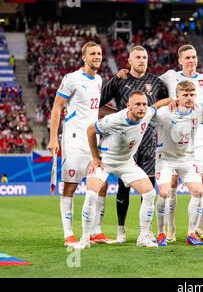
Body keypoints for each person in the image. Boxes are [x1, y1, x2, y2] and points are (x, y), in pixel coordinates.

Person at [73, 90, 172, 249]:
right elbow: (91, 130)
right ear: (128, 106)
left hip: (126, 162)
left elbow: (156, 105)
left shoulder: (146, 114)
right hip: (105, 161)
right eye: (138, 104)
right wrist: (95, 158)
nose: (142, 108)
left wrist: (173, 100)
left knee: (149, 193)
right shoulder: (113, 120)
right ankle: (84, 239)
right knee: (91, 194)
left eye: (144, 104)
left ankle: (143, 236)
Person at [100, 45, 169, 244]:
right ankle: (121, 230)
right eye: (138, 57)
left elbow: (163, 105)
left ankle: (144, 231)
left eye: (145, 57)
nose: (142, 60)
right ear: (129, 60)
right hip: (124, 145)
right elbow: (99, 103)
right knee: (124, 187)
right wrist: (116, 118)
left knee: (147, 186)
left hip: (148, 142)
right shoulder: (119, 80)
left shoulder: (156, 83)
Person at [47, 42, 112, 247]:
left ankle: (96, 231)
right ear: (84, 57)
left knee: (102, 184)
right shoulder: (72, 79)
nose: (97, 56)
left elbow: (95, 109)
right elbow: (57, 108)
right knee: (71, 185)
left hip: (93, 140)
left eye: (100, 53)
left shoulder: (99, 80)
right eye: (92, 53)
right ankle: (68, 234)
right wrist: (52, 138)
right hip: (74, 139)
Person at [158, 44, 203, 242]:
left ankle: (199, 227)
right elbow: (148, 85)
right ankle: (170, 229)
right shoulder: (170, 76)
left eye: (194, 57)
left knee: (201, 183)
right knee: (172, 183)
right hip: (172, 138)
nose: (192, 61)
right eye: (188, 58)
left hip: (198, 140)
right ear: (180, 60)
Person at [153, 80, 203, 246]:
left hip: (186, 159)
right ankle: (161, 233)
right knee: (164, 193)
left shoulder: (199, 111)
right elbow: (148, 111)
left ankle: (191, 233)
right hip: (165, 158)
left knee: (199, 192)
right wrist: (165, 101)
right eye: (185, 95)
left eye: (192, 95)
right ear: (177, 97)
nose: (189, 98)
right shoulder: (164, 113)